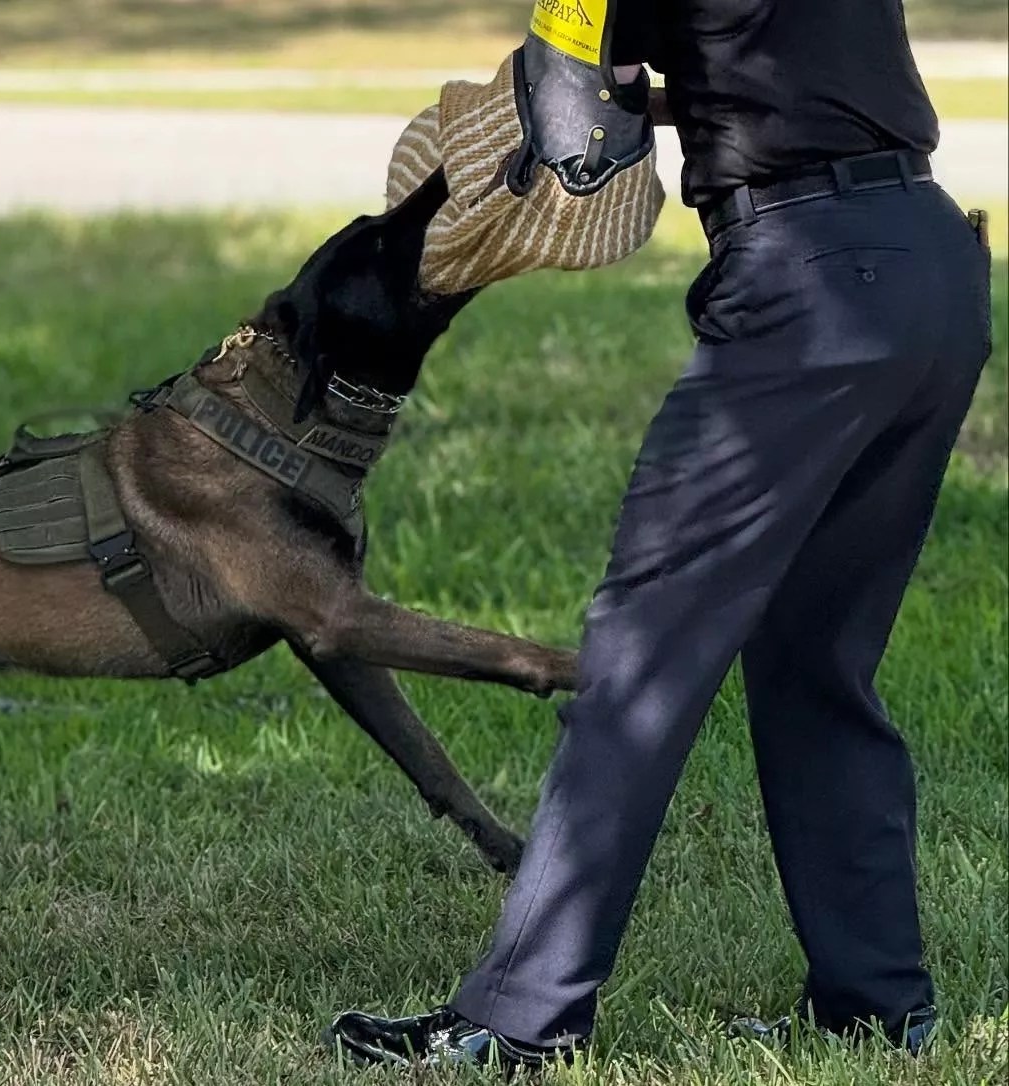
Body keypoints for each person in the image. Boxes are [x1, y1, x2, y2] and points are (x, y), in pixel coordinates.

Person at [324, 0, 992, 1073]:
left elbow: (568, 121)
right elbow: (787, 78)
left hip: (807, 287)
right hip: (930, 265)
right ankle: (877, 1006)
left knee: (639, 663)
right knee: (818, 662)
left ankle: (517, 1020)